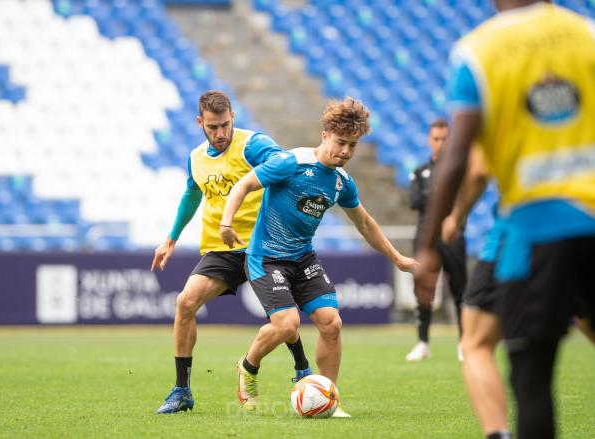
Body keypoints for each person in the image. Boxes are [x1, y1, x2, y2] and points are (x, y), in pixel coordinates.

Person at [413, 2, 595, 438]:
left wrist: (430, 242)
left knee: (530, 382)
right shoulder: (586, 33)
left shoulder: (478, 51)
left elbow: (462, 160)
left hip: (533, 233)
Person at [219, 97, 417, 416]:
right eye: (341, 143)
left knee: (331, 323)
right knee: (287, 324)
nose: (346, 152)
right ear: (325, 135)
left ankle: (329, 397)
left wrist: (399, 259)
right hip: (266, 257)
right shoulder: (290, 163)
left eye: (352, 146)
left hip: (303, 258)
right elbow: (244, 184)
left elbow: (365, 223)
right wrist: (226, 222)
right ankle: (248, 366)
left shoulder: (341, 183)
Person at [152, 90, 312, 414]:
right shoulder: (196, 158)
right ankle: (182, 390)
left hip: (262, 246)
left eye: (225, 124)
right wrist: (171, 239)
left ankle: (302, 369)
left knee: (284, 320)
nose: (220, 133)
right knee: (185, 303)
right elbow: (191, 194)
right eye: (212, 127)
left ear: (233, 118)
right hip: (221, 250)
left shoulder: (252, 145)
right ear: (200, 122)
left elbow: (285, 164)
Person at [442, 148, 511, 439]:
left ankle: (498, 433)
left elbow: (480, 169)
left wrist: (456, 216)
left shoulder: (502, 106)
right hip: (587, 226)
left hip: (521, 231)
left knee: (475, 344)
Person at [406, 119, 467, 362]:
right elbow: (414, 201)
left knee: (460, 290)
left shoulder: (459, 172)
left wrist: (433, 193)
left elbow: (460, 200)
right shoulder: (419, 171)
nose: (440, 143)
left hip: (453, 236)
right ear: (429, 140)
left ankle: (464, 342)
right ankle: (422, 342)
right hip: (425, 238)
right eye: (436, 139)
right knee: (423, 290)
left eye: (445, 139)